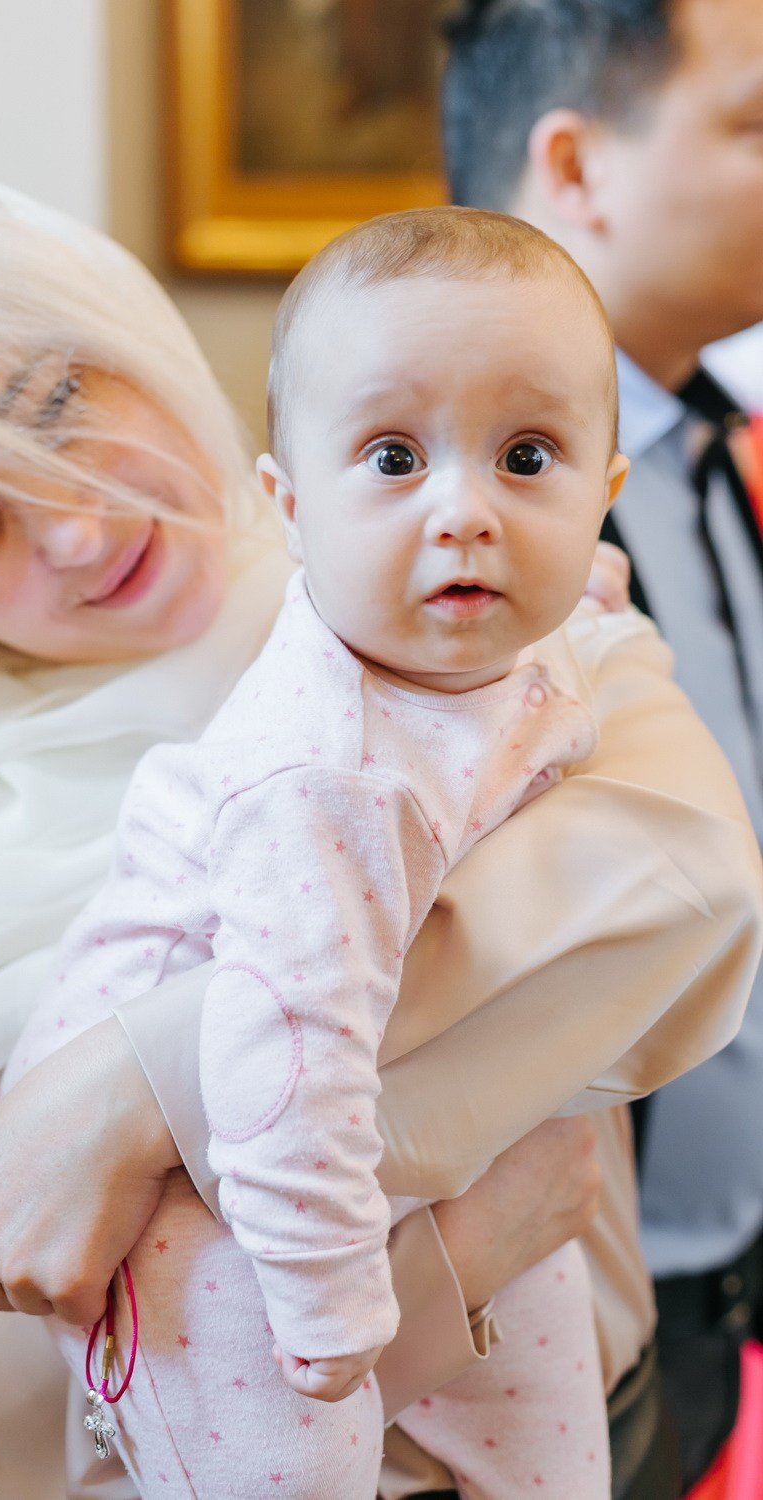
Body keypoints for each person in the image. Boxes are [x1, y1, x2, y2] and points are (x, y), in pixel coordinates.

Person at [0, 172, 755, 1500]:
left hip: (631, 1438)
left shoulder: (461, 574)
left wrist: (148, 1075)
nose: (70, 526)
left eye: (57, 405)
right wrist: (452, 1251)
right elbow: (17, 1432)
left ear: (121, 333)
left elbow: (692, 883)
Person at [2, 205, 636, 1500]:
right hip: (197, 1182)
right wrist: (342, 1311)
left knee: (553, 1423)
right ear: (289, 506)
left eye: (528, 457)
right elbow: (280, 1069)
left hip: (357, 1094)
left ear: (602, 491)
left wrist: (591, 588)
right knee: (294, 1456)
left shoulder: (495, 634)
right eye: (395, 457)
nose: (465, 512)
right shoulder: (326, 777)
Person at [442, 0, 763, 1486]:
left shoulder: (708, 445)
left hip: (718, 1261)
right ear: (575, 164)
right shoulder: (429, 550)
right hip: (544, 1303)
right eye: (756, 121)